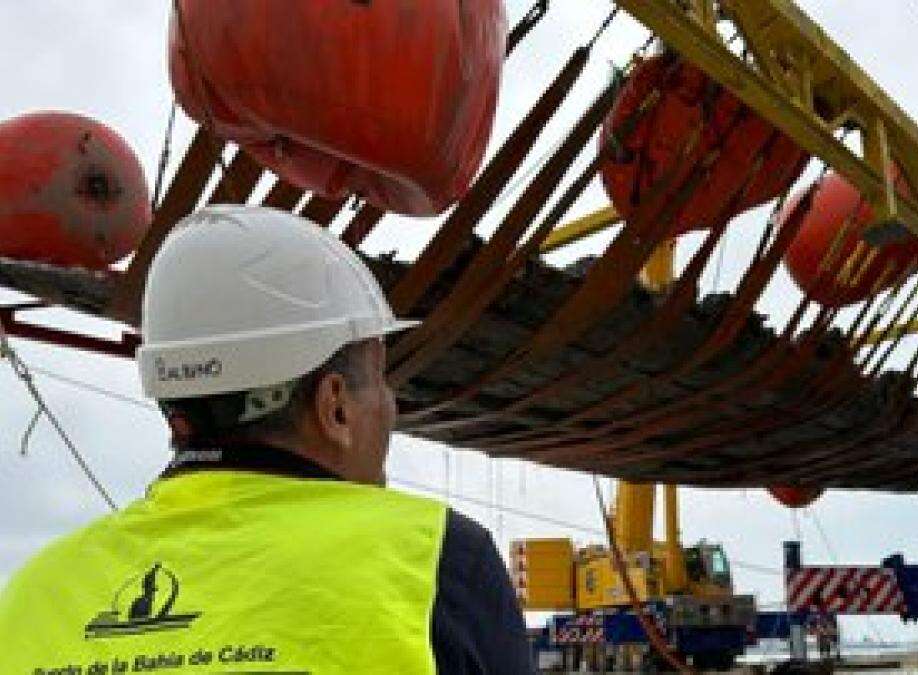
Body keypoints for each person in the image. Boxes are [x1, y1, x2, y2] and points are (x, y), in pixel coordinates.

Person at [0, 206, 533, 673]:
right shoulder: (436, 560)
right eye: (380, 380)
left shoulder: (34, 593)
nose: (391, 405)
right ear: (335, 406)